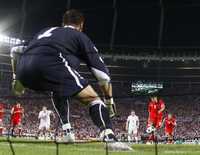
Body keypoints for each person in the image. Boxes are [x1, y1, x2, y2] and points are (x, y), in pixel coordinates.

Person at [16, 9, 130, 150]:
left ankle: (68, 132)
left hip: (24, 70)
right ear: (81, 25)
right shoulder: (79, 36)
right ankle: (110, 138)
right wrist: (109, 101)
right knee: (93, 100)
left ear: (63, 23)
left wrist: (17, 80)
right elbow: (103, 76)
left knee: (57, 90)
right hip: (52, 63)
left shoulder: (45, 31)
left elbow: (16, 50)